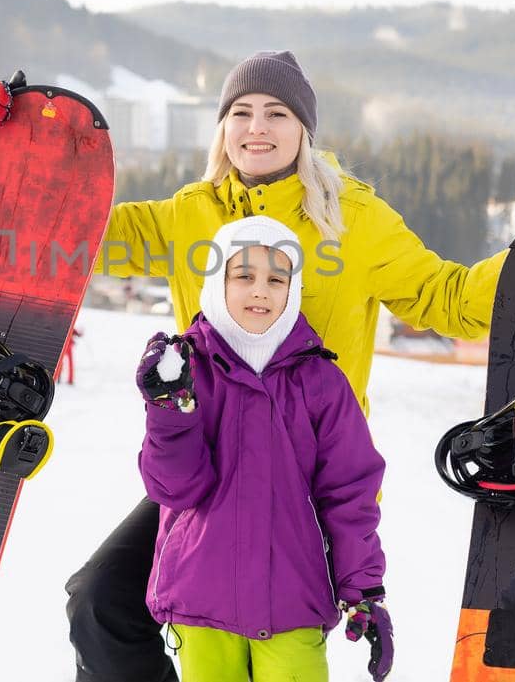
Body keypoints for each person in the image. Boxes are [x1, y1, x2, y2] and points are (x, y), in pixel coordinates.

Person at [0, 50, 515, 682]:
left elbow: (444, 297)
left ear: (303, 129)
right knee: (100, 602)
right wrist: (17, 146)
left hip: (307, 487)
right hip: (206, 480)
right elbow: (74, 236)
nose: (258, 127)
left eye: (277, 113)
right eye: (242, 111)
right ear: (223, 126)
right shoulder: (190, 214)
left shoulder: (352, 218)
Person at [137, 216, 392, 682]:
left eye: (277, 279)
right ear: (218, 281)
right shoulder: (188, 370)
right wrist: (170, 411)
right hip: (201, 598)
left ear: (292, 290)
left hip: (293, 600)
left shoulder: (321, 381)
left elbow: (350, 492)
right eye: (244, 276)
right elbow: (174, 488)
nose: (261, 291)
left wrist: (364, 590)